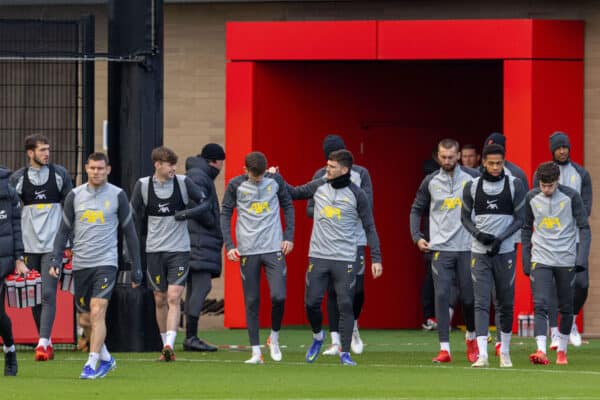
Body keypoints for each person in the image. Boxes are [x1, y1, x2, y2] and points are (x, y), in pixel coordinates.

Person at [286, 149, 383, 367]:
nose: (326, 169)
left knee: (346, 304)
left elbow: (370, 227)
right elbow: (293, 192)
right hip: (319, 256)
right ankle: (318, 337)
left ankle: (345, 353)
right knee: (311, 303)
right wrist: (274, 176)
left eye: (331, 166)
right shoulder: (319, 185)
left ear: (344, 170)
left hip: (345, 258)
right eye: (327, 165)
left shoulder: (358, 194)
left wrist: (376, 258)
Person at [50, 152, 142, 379]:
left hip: (106, 263)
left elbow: (130, 233)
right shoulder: (74, 195)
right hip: (81, 264)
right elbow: (63, 230)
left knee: (97, 310)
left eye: (101, 168)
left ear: (108, 170)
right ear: (86, 169)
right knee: (84, 319)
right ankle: (107, 358)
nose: (97, 172)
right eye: (92, 168)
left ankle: (91, 364)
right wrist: (56, 259)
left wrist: (136, 267)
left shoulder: (118, 195)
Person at [130, 146, 211, 361]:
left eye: (175, 164)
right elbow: (132, 217)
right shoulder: (143, 186)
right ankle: (164, 341)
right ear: (158, 165)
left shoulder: (184, 183)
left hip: (179, 250)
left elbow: (206, 203)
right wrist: (130, 250)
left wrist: (187, 213)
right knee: (160, 298)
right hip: (155, 251)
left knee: (174, 297)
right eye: (169, 165)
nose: (173, 168)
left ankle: (169, 345)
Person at [220, 151, 295, 364]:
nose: (259, 179)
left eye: (261, 175)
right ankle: (255, 351)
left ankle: (274, 337)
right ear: (245, 171)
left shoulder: (275, 181)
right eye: (255, 176)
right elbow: (225, 213)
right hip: (247, 250)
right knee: (252, 301)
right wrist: (230, 245)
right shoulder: (235, 185)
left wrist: (289, 236)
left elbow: (288, 206)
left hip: (273, 248)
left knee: (279, 296)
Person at [409, 138, 479, 364]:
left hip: (467, 247)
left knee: (469, 298)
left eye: (451, 157)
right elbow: (416, 209)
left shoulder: (473, 178)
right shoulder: (430, 181)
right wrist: (417, 237)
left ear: (459, 156)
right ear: (438, 157)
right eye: (443, 157)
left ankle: (471, 337)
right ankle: (444, 349)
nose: (447, 161)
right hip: (440, 248)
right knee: (441, 295)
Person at [461, 144, 526, 368]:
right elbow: (465, 218)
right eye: (491, 163)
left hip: (505, 251)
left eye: (499, 163)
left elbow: (520, 218)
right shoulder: (472, 186)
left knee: (505, 302)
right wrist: (478, 233)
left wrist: (501, 238)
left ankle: (505, 352)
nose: (496, 167)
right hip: (479, 252)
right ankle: (483, 355)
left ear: (504, 161)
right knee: (480, 302)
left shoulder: (514, 185)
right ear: (484, 163)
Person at [307, 135, 373, 356]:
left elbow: (367, 204)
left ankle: (353, 326)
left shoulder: (360, 174)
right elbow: (309, 207)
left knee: (358, 289)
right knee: (333, 291)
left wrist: (345, 212)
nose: (329, 165)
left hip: (355, 240)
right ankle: (335, 339)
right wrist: (327, 212)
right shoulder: (320, 175)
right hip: (329, 243)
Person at [9, 134, 73, 361]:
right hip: (28, 247)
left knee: (47, 294)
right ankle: (45, 341)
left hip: (53, 246)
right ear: (30, 153)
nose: (47, 153)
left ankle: (42, 344)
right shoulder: (18, 178)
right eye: (42, 150)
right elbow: (11, 215)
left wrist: (70, 243)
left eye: (48, 149)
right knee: (35, 298)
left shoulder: (59, 175)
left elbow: (70, 208)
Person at [522, 162, 590, 365]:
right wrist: (526, 258)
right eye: (543, 185)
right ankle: (541, 350)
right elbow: (526, 228)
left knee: (566, 306)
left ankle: (561, 349)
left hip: (566, 258)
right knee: (540, 303)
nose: (546, 189)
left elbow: (584, 228)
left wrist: (581, 258)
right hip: (541, 257)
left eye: (550, 186)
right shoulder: (531, 198)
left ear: (557, 181)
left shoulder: (571, 197)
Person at [534, 131, 592, 349]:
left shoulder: (581, 174)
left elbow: (586, 208)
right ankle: (556, 332)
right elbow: (536, 203)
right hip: (549, 240)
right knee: (552, 288)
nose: (562, 151)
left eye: (565, 147)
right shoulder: (542, 172)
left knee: (581, 283)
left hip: (574, 237)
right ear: (552, 149)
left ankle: (572, 320)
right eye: (559, 148)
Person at [482, 132, 529, 355]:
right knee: (485, 290)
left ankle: (501, 338)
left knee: (503, 289)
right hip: (483, 242)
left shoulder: (517, 175)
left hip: (509, 241)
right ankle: (482, 335)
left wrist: (516, 235)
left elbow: (524, 210)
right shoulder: (478, 176)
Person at [182, 143, 225, 352]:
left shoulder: (196, 173)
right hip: (199, 242)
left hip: (196, 241)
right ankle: (191, 336)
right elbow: (196, 205)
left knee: (194, 288)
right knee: (201, 287)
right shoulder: (200, 176)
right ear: (215, 161)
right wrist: (211, 222)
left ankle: (189, 335)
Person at [0, 166, 28, 376]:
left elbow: (16, 226)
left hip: (3, 259)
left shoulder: (7, 191)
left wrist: (19, 258)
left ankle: (9, 350)